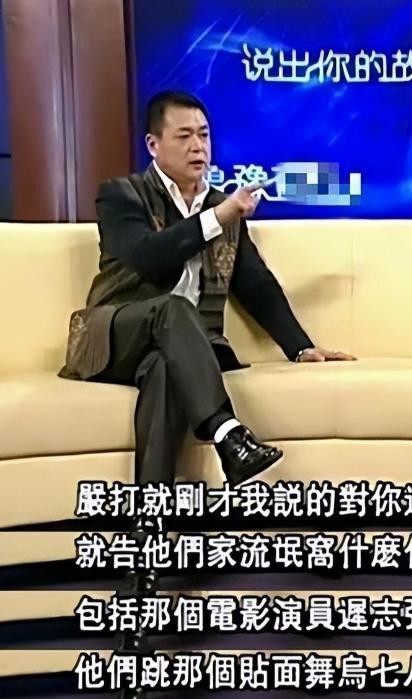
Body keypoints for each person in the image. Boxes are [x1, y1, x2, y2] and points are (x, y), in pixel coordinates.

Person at [59, 91, 354, 612]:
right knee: (172, 311)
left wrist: (301, 347)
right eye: (184, 136)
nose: (199, 146)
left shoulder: (221, 206)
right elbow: (150, 260)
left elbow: (255, 284)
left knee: (164, 372)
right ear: (154, 145)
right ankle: (226, 432)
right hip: (115, 337)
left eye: (204, 135)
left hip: (177, 352)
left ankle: (143, 562)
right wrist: (218, 216)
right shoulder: (121, 196)